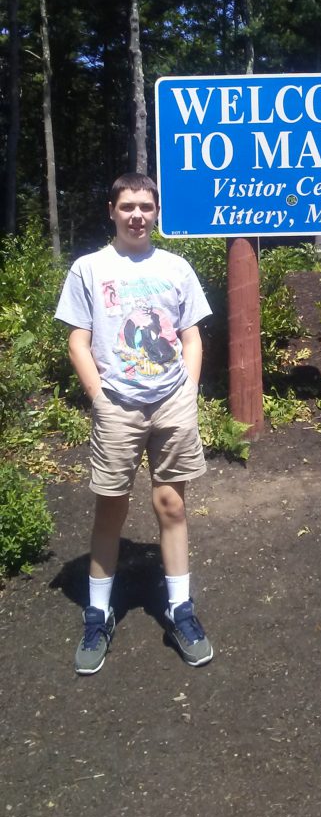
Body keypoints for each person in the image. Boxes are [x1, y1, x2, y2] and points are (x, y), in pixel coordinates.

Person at [55, 172, 213, 674]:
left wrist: (188, 388)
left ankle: (180, 608)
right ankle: (98, 614)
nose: (137, 215)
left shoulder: (176, 267)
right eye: (128, 207)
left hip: (171, 401)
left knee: (171, 504)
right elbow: (78, 339)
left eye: (146, 206)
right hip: (118, 404)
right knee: (111, 509)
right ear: (112, 210)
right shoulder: (89, 268)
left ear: (157, 212)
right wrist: (98, 396)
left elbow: (191, 335)